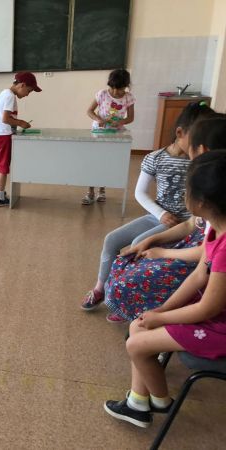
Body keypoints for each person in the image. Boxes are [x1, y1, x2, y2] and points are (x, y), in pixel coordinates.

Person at [104, 149, 226, 429]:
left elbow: (208, 308)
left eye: (187, 190)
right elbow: (198, 276)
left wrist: (162, 317)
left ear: (201, 202)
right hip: (209, 316)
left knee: (135, 344)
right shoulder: (215, 228)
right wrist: (161, 310)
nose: (184, 196)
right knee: (138, 325)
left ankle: (162, 401)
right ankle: (138, 402)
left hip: (219, 327)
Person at [81, 102, 214, 311]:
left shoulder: (200, 162)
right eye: (198, 136)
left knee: (138, 244)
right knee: (111, 240)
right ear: (180, 132)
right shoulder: (155, 158)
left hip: (183, 222)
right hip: (158, 216)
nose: (202, 143)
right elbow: (140, 193)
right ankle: (101, 288)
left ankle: (123, 294)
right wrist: (160, 214)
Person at [104, 115, 226, 323]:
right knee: (124, 256)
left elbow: (205, 256)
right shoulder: (208, 191)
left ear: (202, 150)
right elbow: (191, 224)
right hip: (180, 239)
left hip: (194, 261)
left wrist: (161, 251)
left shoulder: (214, 200)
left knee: (132, 272)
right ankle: (115, 299)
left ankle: (140, 314)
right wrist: (152, 239)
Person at [84, 69, 135, 204]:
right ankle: (90, 192)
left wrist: (121, 122)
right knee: (94, 161)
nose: (115, 92)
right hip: (99, 132)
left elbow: (130, 118)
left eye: (119, 89)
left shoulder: (128, 98)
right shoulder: (102, 94)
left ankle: (102, 190)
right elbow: (89, 111)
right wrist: (98, 119)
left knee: (106, 162)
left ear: (126, 86)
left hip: (115, 135)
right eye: (112, 88)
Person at [0, 72, 41, 207]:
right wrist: (21, 123)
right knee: (3, 167)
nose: (27, 94)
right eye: (28, 91)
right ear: (22, 85)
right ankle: (0, 198)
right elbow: (5, 119)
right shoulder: (10, 97)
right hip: (4, 135)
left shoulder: (4, 93)